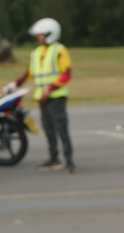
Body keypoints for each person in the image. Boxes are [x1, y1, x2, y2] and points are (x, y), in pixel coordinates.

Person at [6, 17, 76, 173]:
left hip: (56, 96)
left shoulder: (60, 50)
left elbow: (66, 74)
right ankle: (53, 158)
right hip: (42, 97)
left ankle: (69, 160)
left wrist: (51, 88)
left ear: (50, 34)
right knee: (48, 129)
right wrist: (15, 84)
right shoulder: (36, 52)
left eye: (41, 34)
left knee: (61, 128)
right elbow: (30, 73)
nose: (38, 37)